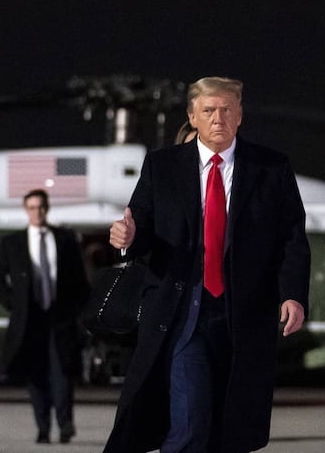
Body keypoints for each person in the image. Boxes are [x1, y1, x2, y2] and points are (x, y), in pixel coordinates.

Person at [105, 76, 311, 453]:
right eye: (209, 111)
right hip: (184, 313)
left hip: (244, 316)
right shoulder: (162, 166)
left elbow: (292, 240)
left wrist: (293, 295)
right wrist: (128, 238)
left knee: (230, 430)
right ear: (192, 116)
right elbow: (143, 227)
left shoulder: (271, 168)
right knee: (189, 425)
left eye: (227, 110)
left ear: (240, 115)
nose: (219, 118)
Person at [0, 189, 90, 444]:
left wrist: (84, 314)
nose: (37, 212)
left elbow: (79, 281)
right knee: (36, 375)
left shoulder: (65, 239)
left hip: (60, 318)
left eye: (41, 207)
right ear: (26, 210)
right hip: (30, 321)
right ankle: (43, 428)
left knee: (63, 373)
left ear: (47, 208)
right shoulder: (12, 243)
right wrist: (14, 304)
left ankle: (66, 425)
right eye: (32, 207)